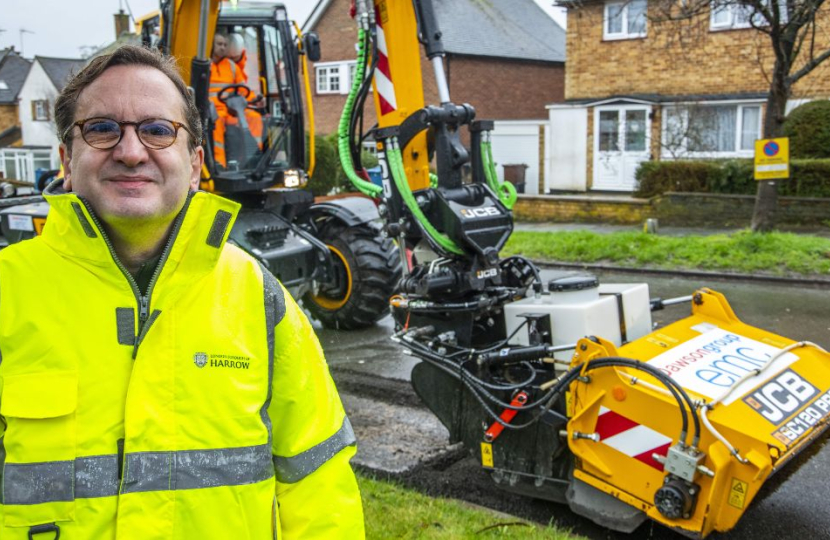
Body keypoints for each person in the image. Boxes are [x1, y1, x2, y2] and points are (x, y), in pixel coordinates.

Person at [0, 45, 364, 540]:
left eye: (156, 130)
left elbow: (317, 484)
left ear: (194, 164)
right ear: (67, 158)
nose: (131, 152)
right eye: (103, 129)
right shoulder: (8, 291)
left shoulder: (259, 298)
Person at [210, 31, 262, 167]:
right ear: (211, 45)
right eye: (219, 44)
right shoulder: (205, 66)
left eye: (225, 45)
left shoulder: (232, 66)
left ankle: (257, 159)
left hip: (232, 109)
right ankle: (219, 164)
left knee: (254, 117)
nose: (222, 47)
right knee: (217, 123)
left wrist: (253, 100)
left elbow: (243, 89)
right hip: (213, 110)